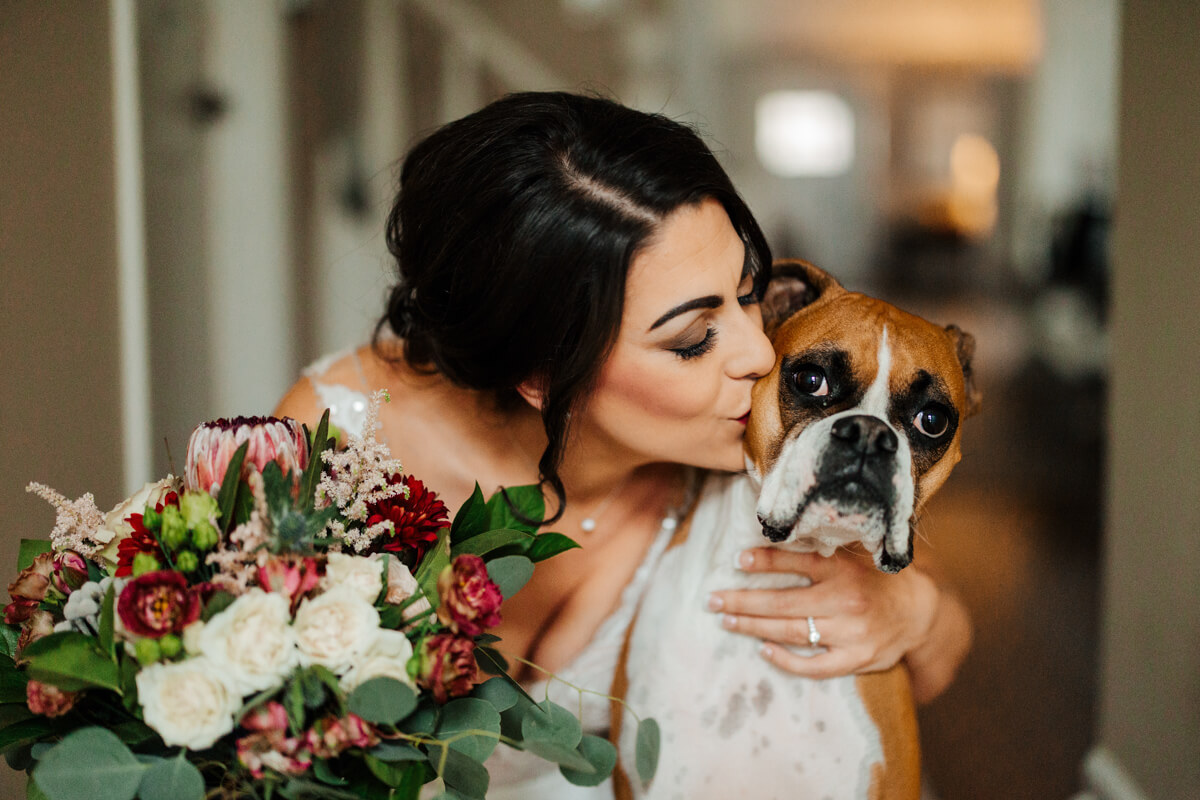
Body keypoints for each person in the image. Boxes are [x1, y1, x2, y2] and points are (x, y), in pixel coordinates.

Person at [274, 91, 972, 796]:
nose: (760, 354)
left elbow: (938, 654)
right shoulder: (336, 444)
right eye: (693, 339)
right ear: (543, 373)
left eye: (747, 294)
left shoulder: (746, 465)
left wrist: (912, 609)